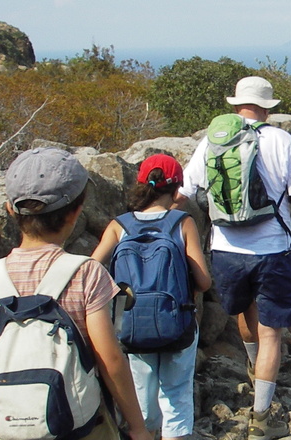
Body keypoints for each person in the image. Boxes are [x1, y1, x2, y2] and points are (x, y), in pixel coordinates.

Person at [176, 76, 291, 440]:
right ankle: (262, 419)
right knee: (272, 335)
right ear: (268, 107)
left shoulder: (212, 141)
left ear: (236, 105)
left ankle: (254, 373)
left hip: (226, 250)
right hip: (271, 252)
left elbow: (183, 193)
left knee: (244, 315)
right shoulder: (280, 140)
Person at [0, 147, 152, 440]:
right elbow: (109, 358)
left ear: (10, 210)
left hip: (9, 424)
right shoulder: (85, 272)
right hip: (79, 423)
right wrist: (138, 427)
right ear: (77, 211)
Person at [91, 154, 213, 440]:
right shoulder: (182, 222)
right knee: (176, 390)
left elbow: (91, 268)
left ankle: (144, 431)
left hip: (133, 323)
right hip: (177, 321)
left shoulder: (119, 225)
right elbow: (204, 281)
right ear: (176, 189)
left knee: (142, 389)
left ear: (142, 184)